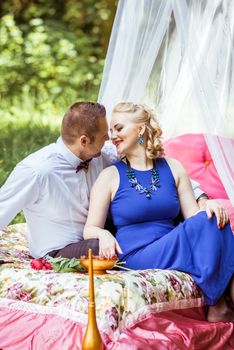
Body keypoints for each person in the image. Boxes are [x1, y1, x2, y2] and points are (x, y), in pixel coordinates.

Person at [0, 102, 228, 259]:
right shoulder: (37, 170)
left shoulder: (103, 153)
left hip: (103, 232)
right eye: (104, 135)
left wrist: (203, 199)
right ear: (84, 140)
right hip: (60, 249)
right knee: (122, 247)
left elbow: (168, 177)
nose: (110, 138)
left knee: (189, 219)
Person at [84, 102, 234, 322]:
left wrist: (206, 204)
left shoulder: (173, 167)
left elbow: (193, 216)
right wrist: (103, 234)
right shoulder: (109, 176)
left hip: (170, 243)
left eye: (118, 128)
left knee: (213, 218)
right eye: (111, 131)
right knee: (207, 221)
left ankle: (222, 304)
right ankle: (221, 303)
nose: (113, 136)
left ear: (141, 129)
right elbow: (90, 228)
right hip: (135, 254)